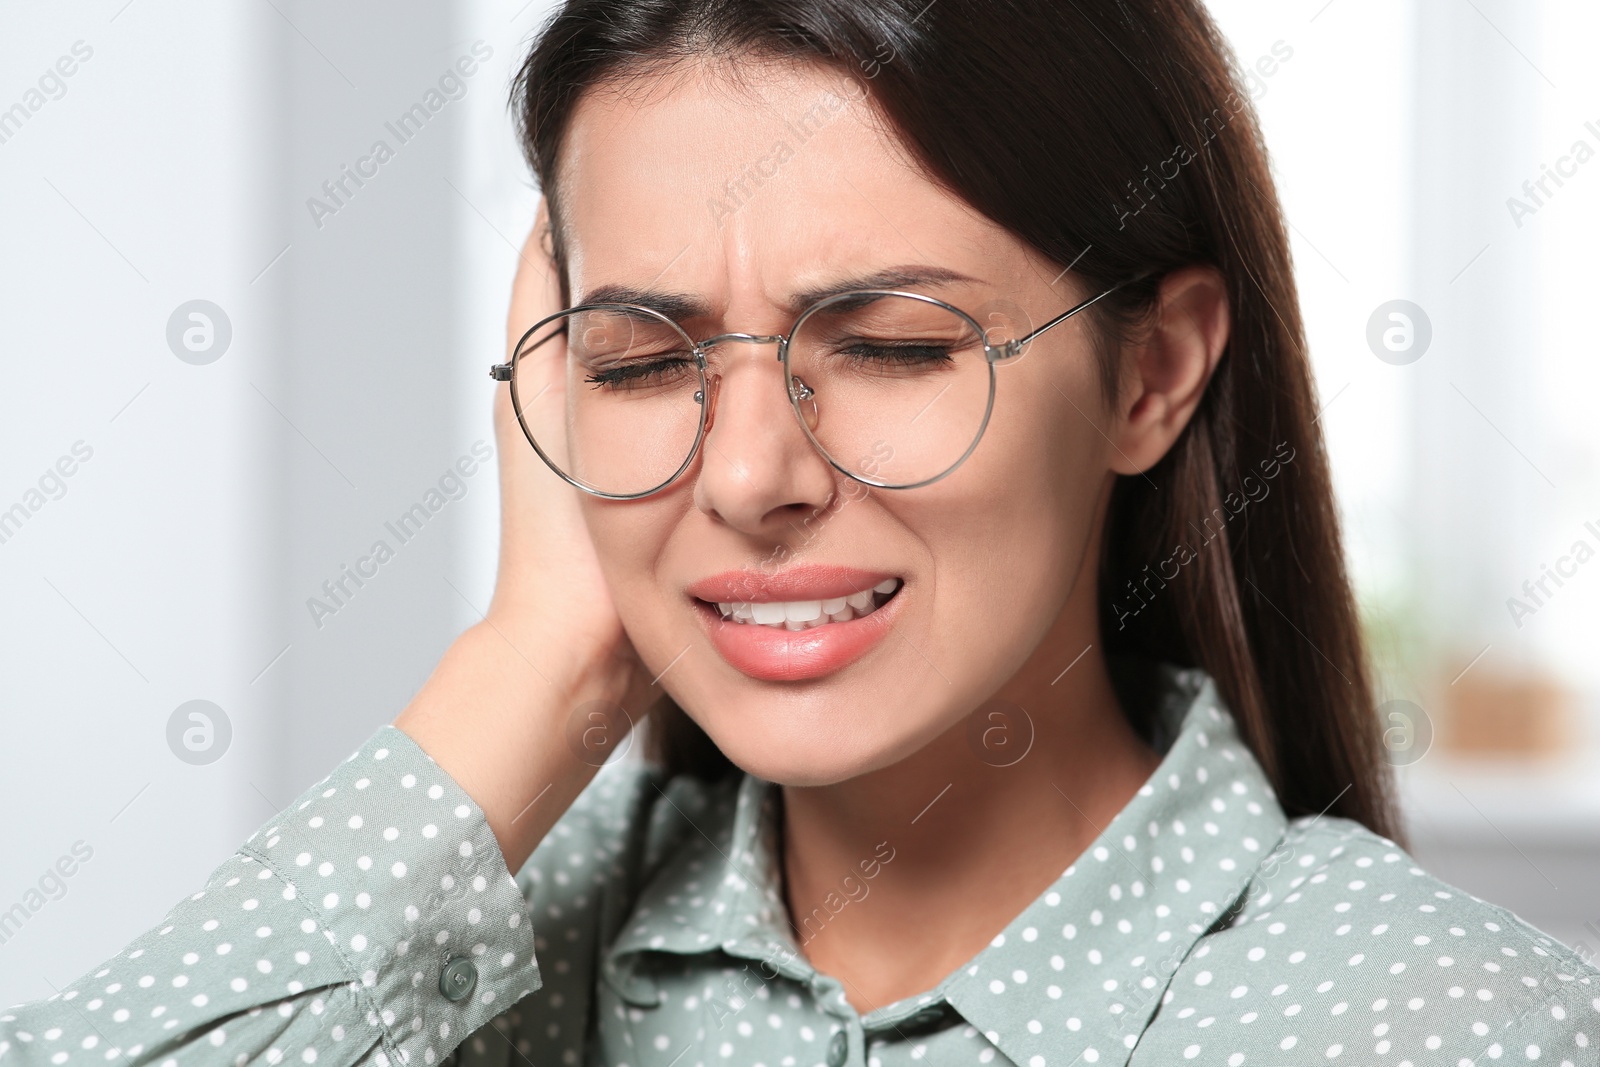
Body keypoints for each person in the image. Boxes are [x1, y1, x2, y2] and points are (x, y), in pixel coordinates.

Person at [5, 1, 1596, 1064]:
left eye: (894, 345)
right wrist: (539, 666)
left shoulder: (1429, 1020)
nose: (751, 473)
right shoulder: (467, 980)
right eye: (638, 361)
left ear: (1152, 375)